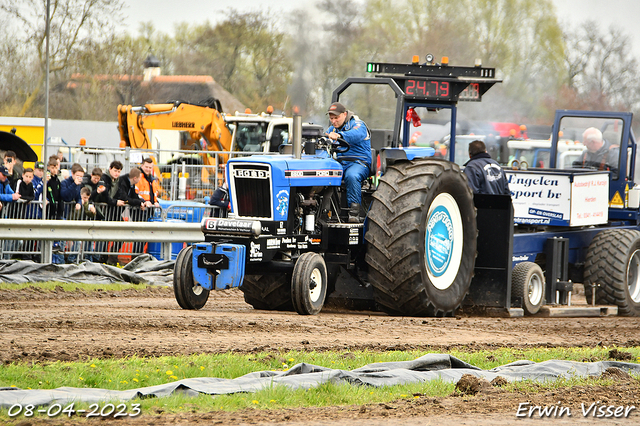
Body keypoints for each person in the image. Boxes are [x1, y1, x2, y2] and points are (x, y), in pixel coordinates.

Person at [325, 101, 372, 222]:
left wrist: (340, 136)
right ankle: (325, 210)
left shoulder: (357, 124)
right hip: (340, 163)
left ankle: (354, 213)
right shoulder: (332, 129)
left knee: (352, 176)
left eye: (336, 117)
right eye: (331, 118)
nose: (334, 121)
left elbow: (356, 134)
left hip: (359, 162)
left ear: (344, 114)